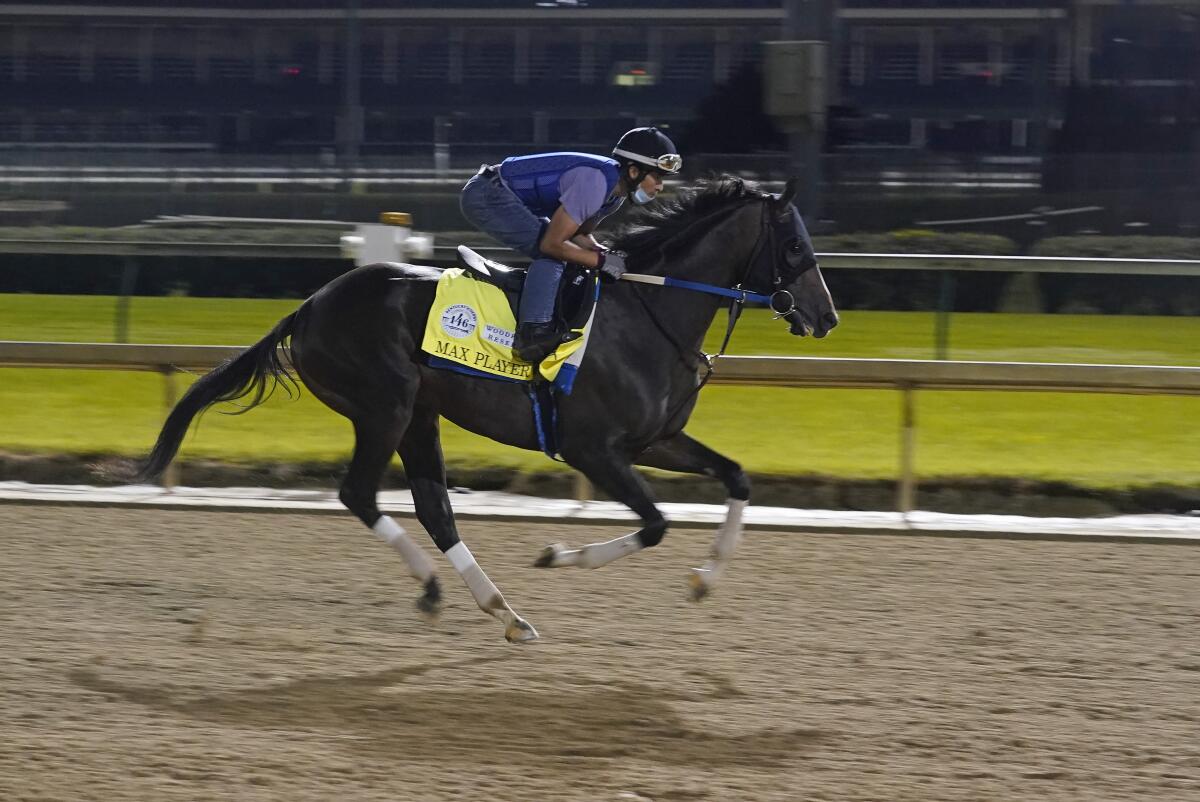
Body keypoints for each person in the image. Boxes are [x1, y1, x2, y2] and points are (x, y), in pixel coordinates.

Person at [459, 126, 682, 362]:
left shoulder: (613, 196)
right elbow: (553, 245)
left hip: (502, 194)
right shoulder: (596, 183)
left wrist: (606, 255)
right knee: (555, 257)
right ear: (634, 171)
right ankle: (532, 334)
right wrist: (601, 261)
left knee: (573, 257)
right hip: (486, 195)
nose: (660, 186)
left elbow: (579, 236)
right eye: (657, 177)